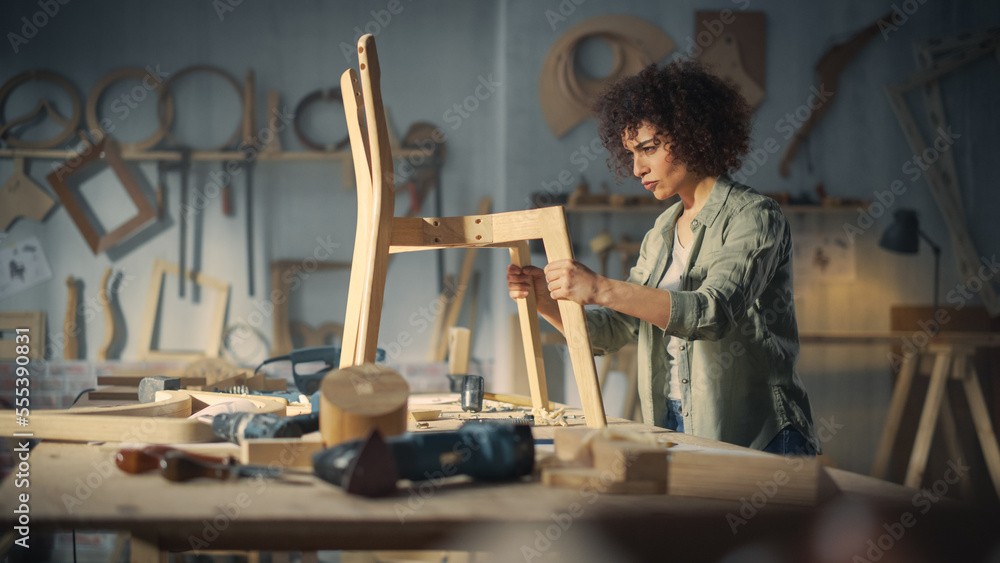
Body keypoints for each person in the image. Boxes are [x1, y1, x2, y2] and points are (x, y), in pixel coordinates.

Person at [507, 61, 819, 455]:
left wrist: (600, 287)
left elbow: (712, 313)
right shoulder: (661, 232)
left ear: (695, 135)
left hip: (759, 432)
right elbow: (618, 329)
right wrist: (546, 300)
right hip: (676, 420)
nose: (637, 168)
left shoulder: (754, 216)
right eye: (631, 154)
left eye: (648, 149)